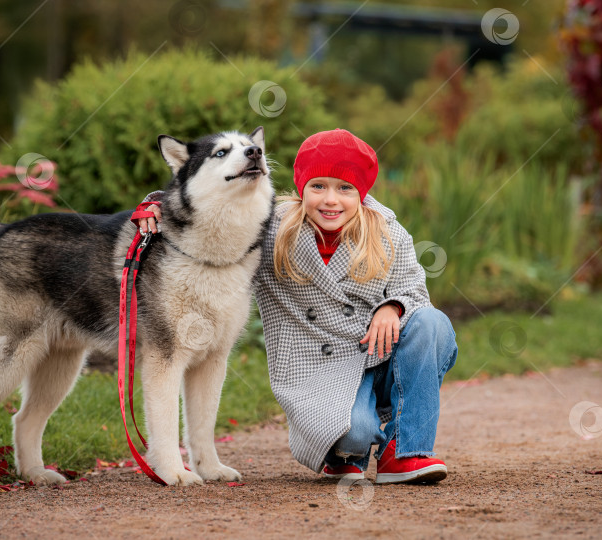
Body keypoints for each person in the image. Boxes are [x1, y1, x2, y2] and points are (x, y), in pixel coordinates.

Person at [139, 129, 457, 483]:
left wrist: (392, 306)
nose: (330, 200)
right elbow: (213, 206)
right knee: (353, 433)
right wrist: (155, 203)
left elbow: (414, 288)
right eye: (318, 186)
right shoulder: (273, 228)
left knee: (432, 323)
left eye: (345, 188)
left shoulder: (388, 232)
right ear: (301, 189)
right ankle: (345, 451)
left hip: (379, 358)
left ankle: (406, 451)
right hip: (322, 376)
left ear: (362, 193)